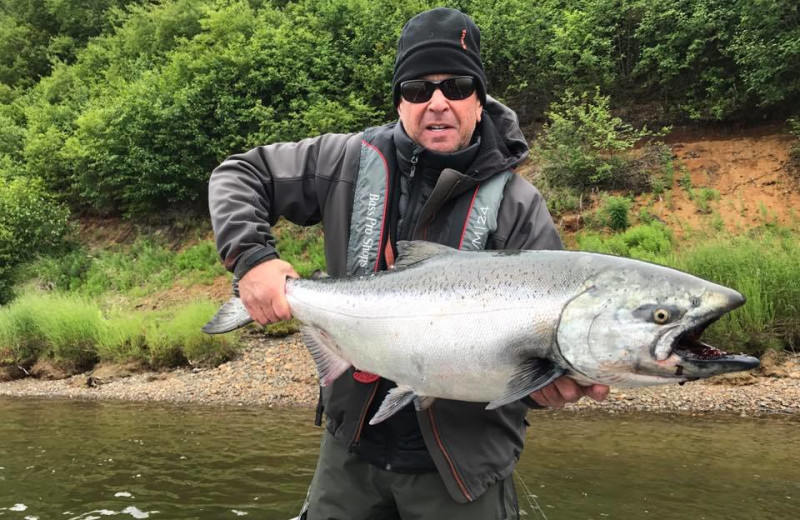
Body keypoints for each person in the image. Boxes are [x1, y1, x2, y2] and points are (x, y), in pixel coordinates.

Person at [209, 7, 609, 519]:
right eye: (418, 89)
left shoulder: (517, 205)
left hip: (461, 472)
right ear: (400, 100)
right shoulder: (345, 162)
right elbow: (240, 173)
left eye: (457, 86)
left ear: (479, 100)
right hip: (349, 456)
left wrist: (547, 387)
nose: (437, 102)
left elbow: (537, 357)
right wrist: (253, 258)